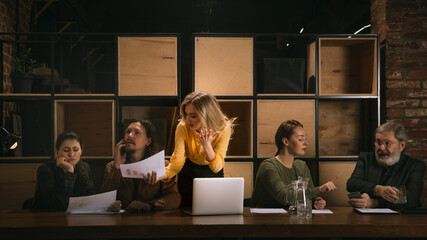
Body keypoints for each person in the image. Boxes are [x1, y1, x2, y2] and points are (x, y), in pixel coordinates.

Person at [146, 91, 236, 207]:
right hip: (188, 175)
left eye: (193, 116)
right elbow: (177, 163)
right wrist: (160, 176)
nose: (188, 120)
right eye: (186, 114)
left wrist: (207, 146)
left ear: (206, 115)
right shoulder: (182, 127)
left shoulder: (223, 128)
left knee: (213, 216)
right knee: (185, 216)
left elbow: (216, 167)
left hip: (212, 175)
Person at [250, 120, 337, 209]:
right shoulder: (268, 166)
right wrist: (319, 190)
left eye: (305, 139)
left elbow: (309, 195)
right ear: (286, 141)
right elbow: (284, 196)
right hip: (264, 220)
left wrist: (317, 201)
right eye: (300, 139)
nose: (306, 143)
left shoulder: (301, 166)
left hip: (291, 218)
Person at [100, 119, 181, 213]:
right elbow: (103, 198)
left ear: (148, 141)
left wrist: (150, 205)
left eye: (137, 132)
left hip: (152, 220)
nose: (130, 135)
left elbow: (174, 198)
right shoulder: (111, 167)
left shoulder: (164, 166)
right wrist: (117, 167)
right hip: (122, 220)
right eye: (128, 132)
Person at [347, 122, 425, 209]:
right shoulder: (365, 159)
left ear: (402, 145)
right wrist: (378, 189)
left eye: (387, 143)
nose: (381, 148)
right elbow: (352, 184)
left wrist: (375, 203)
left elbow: (412, 200)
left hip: (401, 219)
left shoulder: (415, 166)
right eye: (379, 142)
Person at [30, 131, 95, 211]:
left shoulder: (85, 167)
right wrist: (69, 171)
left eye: (75, 150)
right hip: (48, 217)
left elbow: (90, 197)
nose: (71, 154)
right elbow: (59, 205)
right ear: (57, 152)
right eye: (66, 150)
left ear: (81, 151)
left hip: (77, 216)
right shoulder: (45, 170)